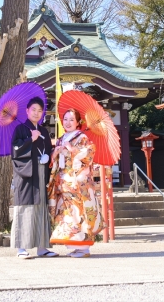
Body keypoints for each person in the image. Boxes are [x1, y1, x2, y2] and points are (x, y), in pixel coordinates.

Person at [47, 108, 103, 258]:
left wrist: (72, 149)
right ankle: (74, 246)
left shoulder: (82, 137)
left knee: (80, 214)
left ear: (78, 122)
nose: (68, 122)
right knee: (67, 215)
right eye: (65, 119)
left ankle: (84, 248)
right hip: (63, 182)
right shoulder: (61, 138)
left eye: (72, 119)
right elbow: (55, 162)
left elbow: (89, 153)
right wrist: (56, 152)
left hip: (77, 184)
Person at [11, 97, 56, 259]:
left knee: (41, 209)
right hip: (26, 175)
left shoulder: (43, 131)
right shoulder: (20, 129)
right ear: (27, 111)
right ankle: (21, 248)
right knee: (25, 208)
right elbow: (15, 151)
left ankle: (42, 247)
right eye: (34, 110)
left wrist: (49, 156)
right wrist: (31, 139)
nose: (37, 113)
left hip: (41, 174)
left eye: (39, 110)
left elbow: (49, 150)